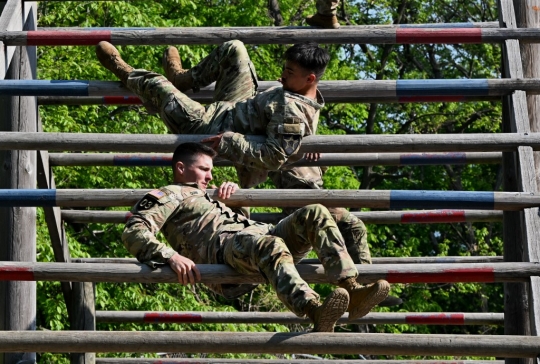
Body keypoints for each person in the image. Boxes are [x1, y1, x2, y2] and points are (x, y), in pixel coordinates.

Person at [96, 39, 400, 306]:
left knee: (159, 86)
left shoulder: (291, 110)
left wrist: (229, 141)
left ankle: (126, 72)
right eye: (285, 68)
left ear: (309, 78)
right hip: (239, 105)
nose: (281, 76)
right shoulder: (301, 96)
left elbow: (272, 155)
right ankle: (187, 77)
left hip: (211, 125)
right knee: (236, 48)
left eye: (289, 73)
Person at [122, 142, 390, 332]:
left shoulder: (211, 192)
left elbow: (239, 221)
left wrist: (236, 200)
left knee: (315, 212)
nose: (210, 175)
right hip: (226, 252)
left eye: (211, 170)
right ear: (181, 169)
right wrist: (171, 257)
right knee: (269, 244)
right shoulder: (168, 194)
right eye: (204, 169)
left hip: (257, 239)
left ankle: (351, 288)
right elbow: (134, 230)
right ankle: (314, 310)